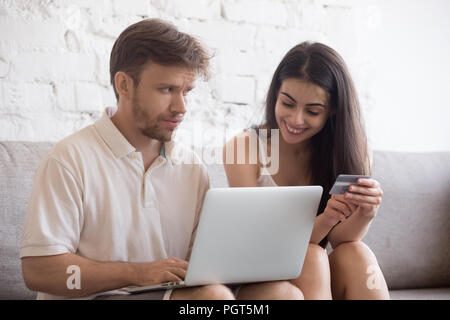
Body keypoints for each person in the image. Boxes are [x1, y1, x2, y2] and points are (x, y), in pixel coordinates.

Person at [20, 18, 303, 300]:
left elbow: (201, 269)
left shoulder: (191, 168)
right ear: (124, 85)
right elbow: (40, 272)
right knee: (212, 299)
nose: (181, 107)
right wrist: (137, 273)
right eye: (167, 89)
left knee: (283, 294)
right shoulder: (68, 161)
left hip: (167, 296)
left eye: (186, 91)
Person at [223, 42, 390, 300]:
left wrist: (366, 213)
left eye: (312, 111)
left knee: (357, 254)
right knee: (311, 255)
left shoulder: (354, 150)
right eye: (287, 103)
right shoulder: (245, 147)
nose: (296, 120)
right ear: (275, 94)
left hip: (315, 272)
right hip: (260, 275)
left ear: (333, 110)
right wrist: (324, 220)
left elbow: (342, 241)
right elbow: (261, 244)